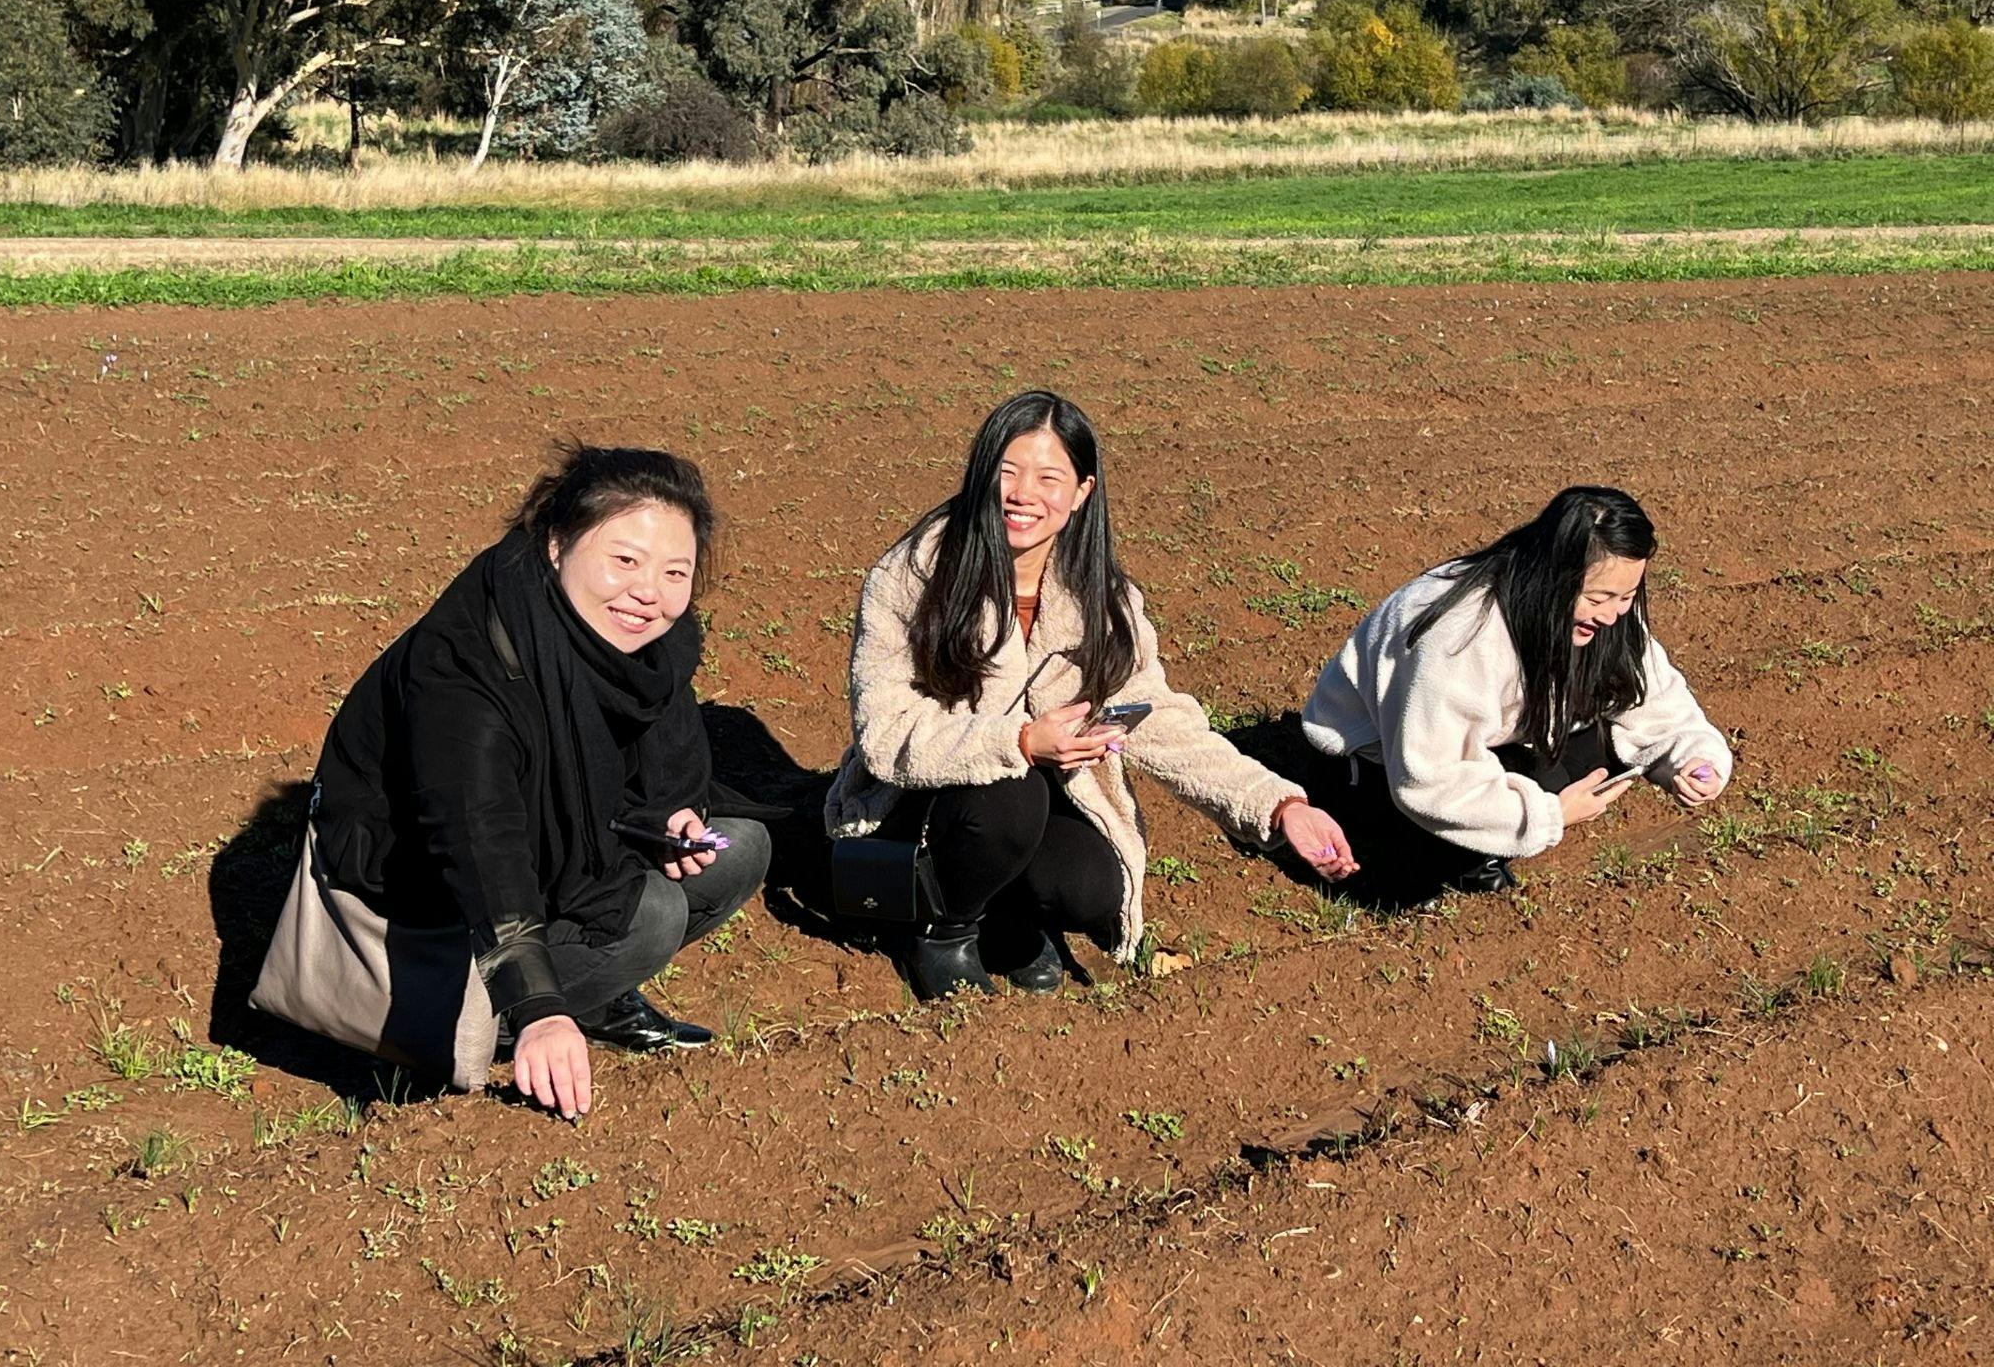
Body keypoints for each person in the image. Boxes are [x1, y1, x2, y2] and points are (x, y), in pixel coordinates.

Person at [825, 391, 1354, 1000]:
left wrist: (1280, 807)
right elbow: (886, 733)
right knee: (1013, 795)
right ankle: (946, 929)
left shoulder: (1102, 600)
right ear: (979, 476)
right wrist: (1020, 741)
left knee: (1089, 888)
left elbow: (1161, 722)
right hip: (923, 799)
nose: (1023, 494)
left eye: (1049, 478)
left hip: (1037, 800)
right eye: (1006, 472)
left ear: (1081, 492)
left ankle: (1007, 913)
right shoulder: (913, 576)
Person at [305, 444, 773, 1118]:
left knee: (740, 849)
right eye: (624, 560)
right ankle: (449, 1029)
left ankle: (597, 997)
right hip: (422, 888)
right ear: (557, 546)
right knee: (650, 916)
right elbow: (479, 836)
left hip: (554, 846)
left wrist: (667, 814)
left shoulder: (649, 643)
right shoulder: (469, 665)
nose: (650, 592)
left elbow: (653, 763)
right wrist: (540, 1008)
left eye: (676, 571)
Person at [1301, 486, 1730, 900]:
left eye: (1628, 596)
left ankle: (1488, 835)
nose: (1614, 615)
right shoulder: (1460, 634)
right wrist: (1550, 816)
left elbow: (1654, 699)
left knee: (1590, 757)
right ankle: (1446, 851)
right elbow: (1427, 777)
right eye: (1599, 597)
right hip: (1373, 766)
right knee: (1411, 875)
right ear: (1552, 576)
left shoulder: (1599, 615)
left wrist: (1690, 758)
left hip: (1482, 745)